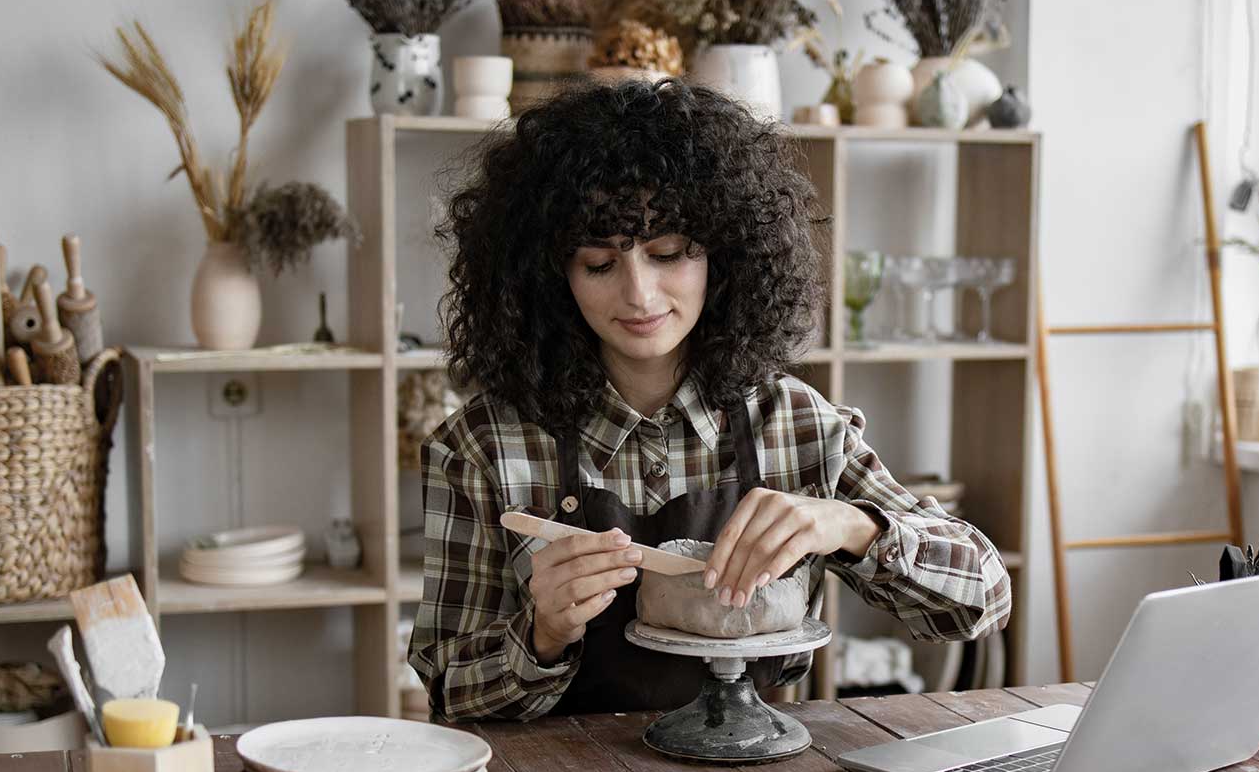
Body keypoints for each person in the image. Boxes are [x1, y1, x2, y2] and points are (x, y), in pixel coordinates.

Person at [408, 79, 1010, 721]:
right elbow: (448, 687)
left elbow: (983, 596)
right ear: (550, 277)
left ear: (724, 254)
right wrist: (541, 636)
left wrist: (848, 527)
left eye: (668, 253)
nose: (640, 295)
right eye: (599, 264)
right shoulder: (481, 446)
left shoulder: (794, 424)